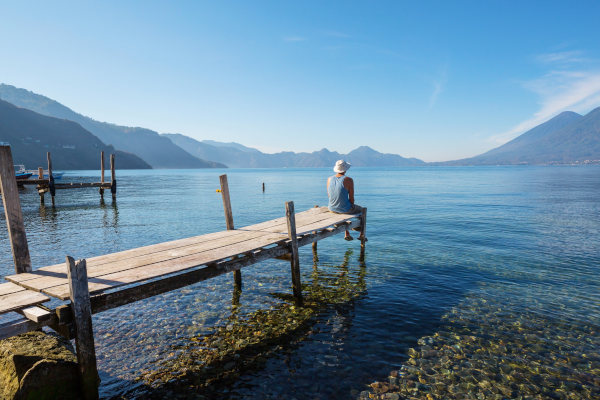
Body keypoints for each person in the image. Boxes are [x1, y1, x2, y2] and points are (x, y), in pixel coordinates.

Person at [327, 160, 365, 241]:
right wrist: (352, 206)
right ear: (345, 169)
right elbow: (351, 198)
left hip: (331, 208)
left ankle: (346, 232)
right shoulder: (349, 180)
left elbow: (329, 195)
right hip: (344, 209)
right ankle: (361, 234)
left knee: (344, 206)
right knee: (362, 210)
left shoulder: (329, 179)